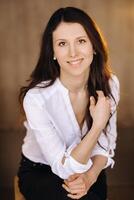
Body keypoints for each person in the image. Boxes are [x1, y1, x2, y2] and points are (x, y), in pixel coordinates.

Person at [17, 6, 120, 200]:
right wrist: (97, 126)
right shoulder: (37, 99)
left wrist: (90, 177)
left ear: (93, 46)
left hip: (90, 167)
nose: (73, 53)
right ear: (53, 51)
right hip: (41, 171)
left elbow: (106, 145)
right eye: (63, 43)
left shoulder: (110, 84)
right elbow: (63, 168)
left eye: (81, 41)